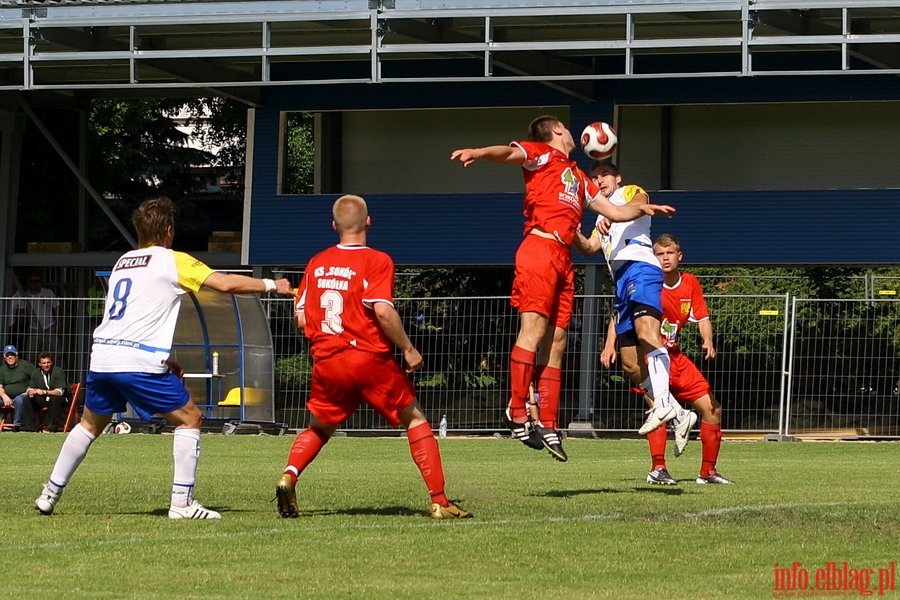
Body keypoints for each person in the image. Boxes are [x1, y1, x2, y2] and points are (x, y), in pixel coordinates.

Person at [34, 196, 294, 519]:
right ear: (169, 230)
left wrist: (164, 358)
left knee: (88, 425)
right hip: (136, 362)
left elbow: (135, 316)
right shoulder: (172, 260)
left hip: (103, 355)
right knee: (191, 418)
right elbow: (224, 284)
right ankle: (182, 504)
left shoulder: (123, 262)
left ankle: (49, 494)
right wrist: (272, 284)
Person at [450, 116, 675, 462]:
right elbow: (507, 153)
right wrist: (480, 151)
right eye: (566, 129)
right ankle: (516, 409)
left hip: (562, 258)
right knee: (534, 330)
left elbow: (614, 211)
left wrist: (641, 208)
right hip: (539, 247)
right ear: (556, 130)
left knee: (557, 341)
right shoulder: (541, 154)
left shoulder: (579, 178)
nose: (573, 134)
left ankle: (550, 423)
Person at [276, 194, 472, 520]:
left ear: (334, 225)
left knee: (320, 428)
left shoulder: (316, 263)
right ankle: (440, 501)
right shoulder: (377, 260)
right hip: (367, 357)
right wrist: (408, 348)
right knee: (416, 419)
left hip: (327, 361)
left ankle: (289, 475)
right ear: (368, 221)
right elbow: (382, 310)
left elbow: (300, 319)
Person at [600, 234, 733, 485]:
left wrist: (708, 340)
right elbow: (620, 313)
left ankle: (708, 472)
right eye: (659, 254)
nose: (665, 258)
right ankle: (658, 469)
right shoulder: (647, 281)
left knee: (712, 409)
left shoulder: (690, 283)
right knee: (658, 409)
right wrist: (610, 344)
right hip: (649, 355)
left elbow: (702, 316)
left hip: (675, 357)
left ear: (679, 256)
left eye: (669, 253)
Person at [574, 161, 688, 441]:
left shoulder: (625, 193)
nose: (599, 180)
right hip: (621, 280)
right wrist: (569, 228)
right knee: (630, 365)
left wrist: (617, 215)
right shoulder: (602, 216)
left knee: (647, 332)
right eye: (595, 177)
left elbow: (640, 201)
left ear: (617, 178)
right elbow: (589, 248)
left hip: (641, 267)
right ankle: (680, 413)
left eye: (605, 175)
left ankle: (661, 403)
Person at [9, 273, 61, 362]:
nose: (35, 283)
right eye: (32, 281)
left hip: (49, 327)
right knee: (31, 355)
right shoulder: (25, 295)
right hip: (33, 329)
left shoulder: (48, 293)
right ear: (29, 283)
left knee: (53, 353)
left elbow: (56, 308)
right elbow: (23, 312)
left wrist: (59, 324)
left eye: (37, 281)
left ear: (41, 282)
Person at [25, 352, 69, 433]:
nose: (46, 365)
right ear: (39, 364)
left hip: (62, 399)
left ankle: (52, 428)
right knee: (28, 399)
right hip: (45, 400)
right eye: (44, 363)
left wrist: (44, 392)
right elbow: (29, 389)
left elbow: (60, 392)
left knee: (55, 399)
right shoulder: (36, 373)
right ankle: (30, 428)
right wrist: (31, 392)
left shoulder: (58, 371)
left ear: (52, 363)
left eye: (48, 362)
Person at [0, 344, 36, 431]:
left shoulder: (26, 366)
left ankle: (17, 425)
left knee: (19, 400)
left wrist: (29, 390)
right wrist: (4, 396)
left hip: (23, 394)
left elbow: (36, 378)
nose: (10, 358)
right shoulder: (2, 369)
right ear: (4, 358)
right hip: (6, 397)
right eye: (7, 356)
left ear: (16, 356)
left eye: (12, 355)